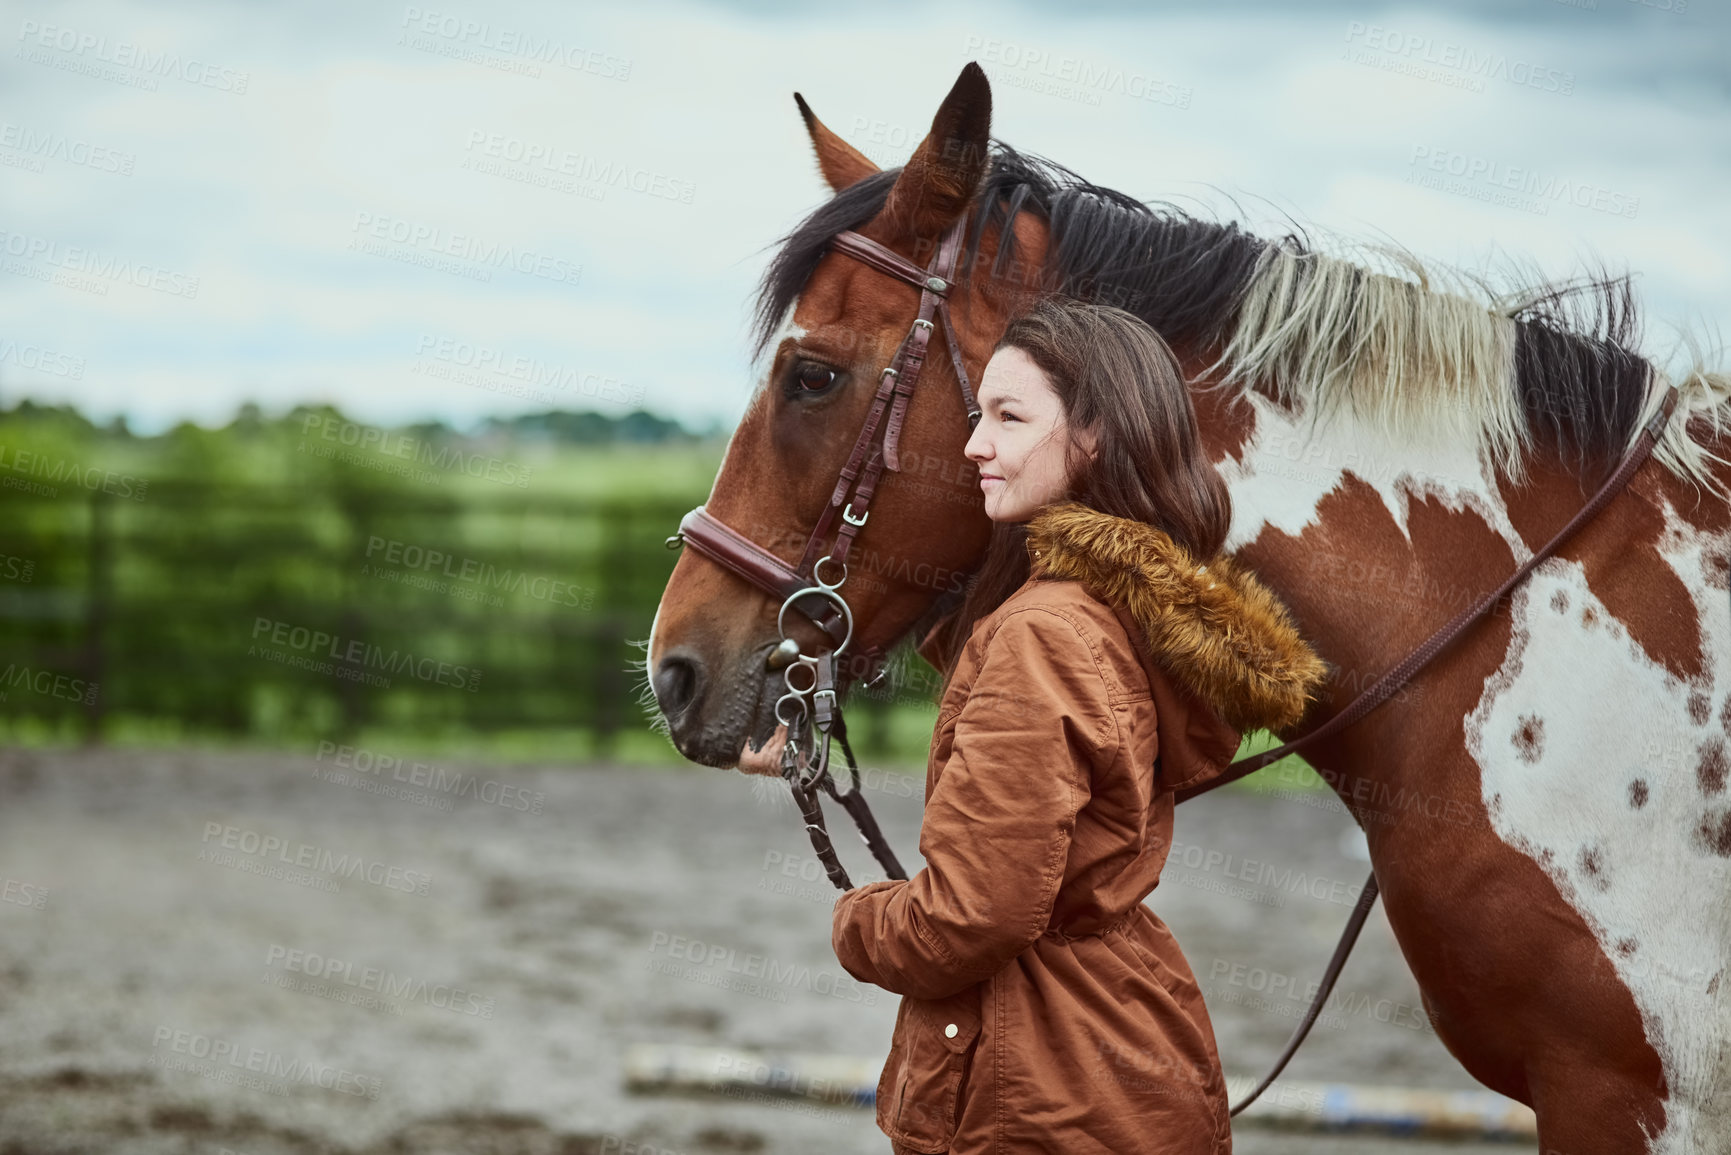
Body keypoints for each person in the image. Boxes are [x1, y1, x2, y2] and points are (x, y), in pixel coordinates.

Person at [829, 296, 1330, 1154]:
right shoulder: (1114, 611)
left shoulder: (1041, 634)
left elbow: (971, 918)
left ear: (1095, 436)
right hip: (1122, 1046)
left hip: (1035, 1088)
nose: (972, 443)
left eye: (1008, 417)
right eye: (980, 413)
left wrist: (856, 922)